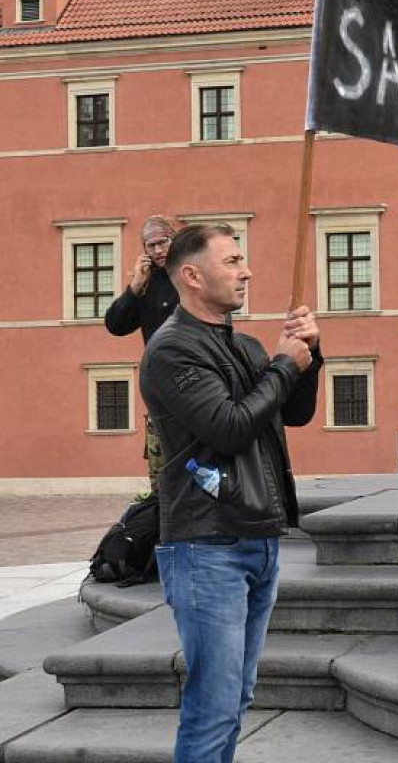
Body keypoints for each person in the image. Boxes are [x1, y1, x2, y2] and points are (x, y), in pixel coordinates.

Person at [139, 222, 322, 763]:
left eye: (243, 259)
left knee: (236, 695)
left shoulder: (242, 343)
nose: (246, 271)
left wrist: (308, 353)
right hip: (207, 544)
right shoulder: (171, 350)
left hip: (256, 536)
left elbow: (295, 411)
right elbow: (229, 427)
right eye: (232, 261)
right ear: (192, 276)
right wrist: (286, 363)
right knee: (214, 705)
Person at [105, 215, 179, 490]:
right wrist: (134, 287)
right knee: (161, 477)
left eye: (163, 242)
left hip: (199, 379)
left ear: (176, 240)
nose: (159, 250)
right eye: (151, 245)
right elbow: (115, 325)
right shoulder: (147, 284)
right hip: (160, 387)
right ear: (144, 250)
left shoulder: (194, 272)